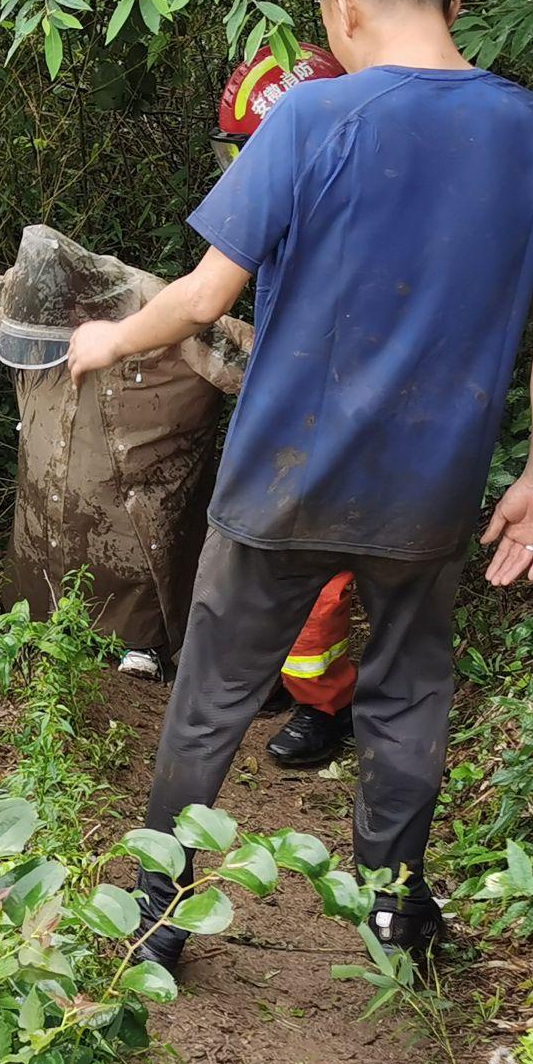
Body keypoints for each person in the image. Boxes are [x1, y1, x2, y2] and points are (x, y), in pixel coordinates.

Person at [68, 0, 533, 965]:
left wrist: (109, 335)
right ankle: (394, 915)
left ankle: (158, 920)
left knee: (210, 697)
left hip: (283, 478)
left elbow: (209, 293)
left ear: (339, 8)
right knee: (406, 698)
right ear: (452, 0)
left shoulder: (309, 123)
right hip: (430, 494)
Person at [0, 224, 250, 676]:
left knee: (137, 561)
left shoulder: (163, 310)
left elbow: (257, 367)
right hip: (46, 497)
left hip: (144, 496)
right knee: (41, 553)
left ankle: (144, 650)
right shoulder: (29, 293)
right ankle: (37, 630)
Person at [213, 43, 364, 771]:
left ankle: (328, 705)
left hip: (334, 417)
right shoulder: (296, 220)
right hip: (289, 404)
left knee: (313, 565)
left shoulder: (354, 228)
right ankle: (280, 676)